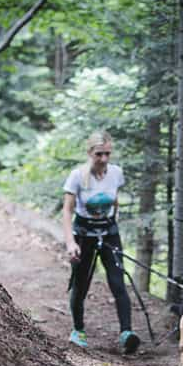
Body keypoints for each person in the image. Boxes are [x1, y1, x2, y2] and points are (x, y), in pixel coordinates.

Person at [62, 130, 140, 353]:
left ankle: (127, 334)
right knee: (81, 283)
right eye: (99, 154)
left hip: (108, 233)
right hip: (83, 234)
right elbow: (67, 212)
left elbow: (115, 200)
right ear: (90, 153)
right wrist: (70, 243)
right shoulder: (77, 176)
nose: (104, 159)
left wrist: (114, 220)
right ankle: (78, 330)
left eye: (107, 153)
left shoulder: (116, 173)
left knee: (118, 281)